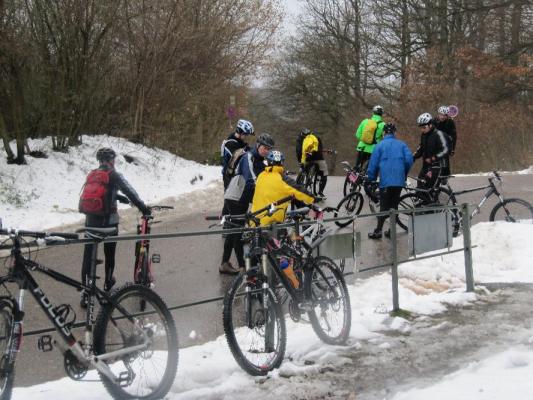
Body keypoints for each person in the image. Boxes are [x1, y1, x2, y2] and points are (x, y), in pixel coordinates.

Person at [80, 148, 150, 307]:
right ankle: (107, 285)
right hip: (108, 224)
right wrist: (144, 209)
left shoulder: (92, 174)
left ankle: (86, 292)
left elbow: (99, 193)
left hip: (90, 222)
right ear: (112, 160)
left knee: (88, 255)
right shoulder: (114, 175)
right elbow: (131, 192)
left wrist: (117, 197)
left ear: (99, 161)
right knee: (109, 254)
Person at [220, 133, 274, 274]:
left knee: (234, 231)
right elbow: (251, 180)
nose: (266, 151)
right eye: (265, 148)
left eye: (269, 149)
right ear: (258, 145)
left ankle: (225, 263)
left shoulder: (261, 161)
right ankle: (243, 267)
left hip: (241, 198)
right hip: (235, 197)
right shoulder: (248, 157)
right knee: (237, 232)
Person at [366, 123, 413, 239]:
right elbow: (409, 160)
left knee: (384, 207)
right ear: (394, 133)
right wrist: (404, 173)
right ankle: (391, 231)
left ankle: (378, 231)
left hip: (386, 181)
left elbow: (373, 164)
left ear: (383, 133)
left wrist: (371, 178)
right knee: (394, 205)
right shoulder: (402, 145)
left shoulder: (379, 145)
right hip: (399, 181)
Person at [252, 150, 316, 226]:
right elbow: (298, 190)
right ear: (281, 163)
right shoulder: (282, 178)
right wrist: (313, 198)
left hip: (255, 221)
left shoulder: (261, 176)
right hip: (272, 223)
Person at [413, 113, 450, 190]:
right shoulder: (424, 135)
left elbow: (445, 150)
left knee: (429, 186)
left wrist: (433, 158)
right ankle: (422, 197)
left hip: (438, 166)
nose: (422, 130)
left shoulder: (439, 134)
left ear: (430, 125)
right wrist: (413, 157)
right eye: (421, 127)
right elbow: (421, 147)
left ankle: (432, 197)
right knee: (420, 183)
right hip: (426, 166)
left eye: (424, 127)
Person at [220, 119, 254, 190]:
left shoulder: (240, 143)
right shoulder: (230, 144)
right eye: (245, 134)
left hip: (237, 178)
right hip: (230, 178)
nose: (246, 136)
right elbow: (240, 156)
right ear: (240, 132)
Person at [299, 129, 329, 198]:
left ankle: (306, 181)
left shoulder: (303, 140)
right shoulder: (317, 138)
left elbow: (303, 152)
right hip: (319, 158)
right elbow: (320, 150)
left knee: (304, 171)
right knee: (324, 174)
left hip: (308, 159)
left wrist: (302, 162)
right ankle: (320, 192)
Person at [354, 105, 385, 172]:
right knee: (368, 170)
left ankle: (355, 175)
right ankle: (365, 175)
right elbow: (384, 139)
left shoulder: (365, 121)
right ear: (381, 114)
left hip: (362, 147)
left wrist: (364, 140)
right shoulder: (383, 125)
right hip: (374, 150)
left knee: (357, 167)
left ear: (373, 112)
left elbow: (357, 135)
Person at [434, 105, 457, 177]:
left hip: (446, 144)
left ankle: (445, 173)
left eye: (444, 115)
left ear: (447, 116)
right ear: (438, 114)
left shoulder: (450, 122)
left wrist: (452, 149)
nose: (442, 117)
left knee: (444, 157)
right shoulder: (434, 121)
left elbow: (453, 136)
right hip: (435, 144)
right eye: (441, 115)